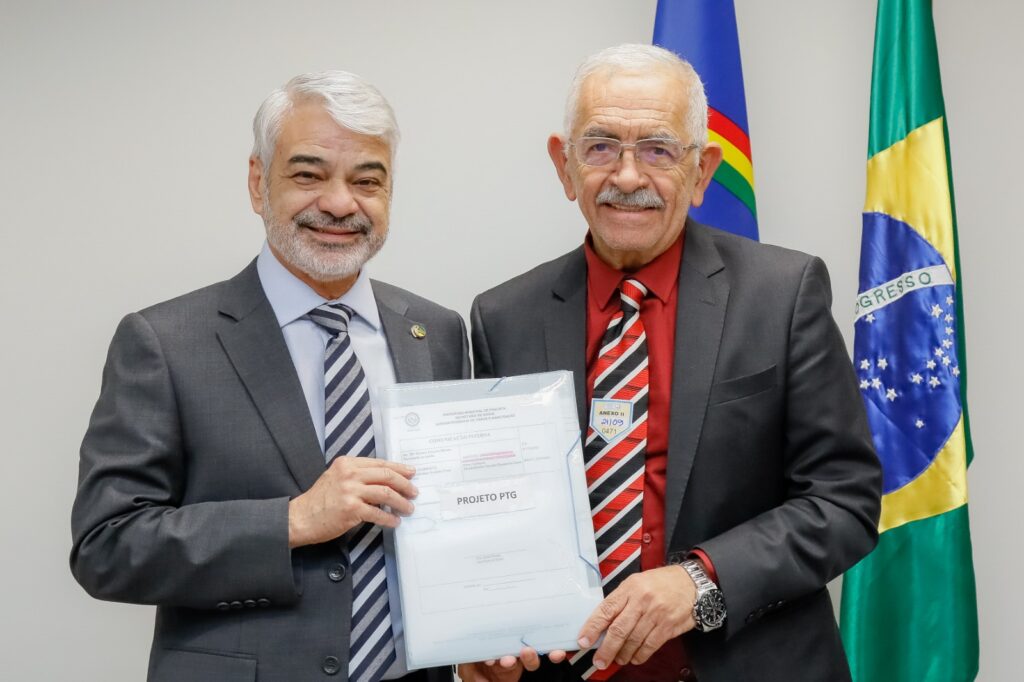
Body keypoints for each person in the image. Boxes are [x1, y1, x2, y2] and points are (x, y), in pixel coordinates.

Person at [468, 44, 882, 682]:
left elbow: (845, 500)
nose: (627, 177)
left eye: (658, 150)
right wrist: (490, 635)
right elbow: (500, 512)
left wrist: (700, 581)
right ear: (564, 165)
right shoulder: (504, 317)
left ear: (701, 171)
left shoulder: (783, 293)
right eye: (601, 146)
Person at [71, 71, 467, 682]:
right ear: (259, 183)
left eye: (367, 180)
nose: (340, 203)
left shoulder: (436, 333)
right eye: (308, 175)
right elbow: (107, 547)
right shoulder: (165, 341)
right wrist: (293, 521)